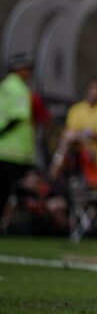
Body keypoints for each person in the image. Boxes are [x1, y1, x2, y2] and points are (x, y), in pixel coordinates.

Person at [0, 53, 36, 214]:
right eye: (27, 69)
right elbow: (19, 116)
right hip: (15, 151)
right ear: (18, 69)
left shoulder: (4, 86)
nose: (29, 73)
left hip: (4, 149)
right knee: (13, 190)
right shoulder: (19, 88)